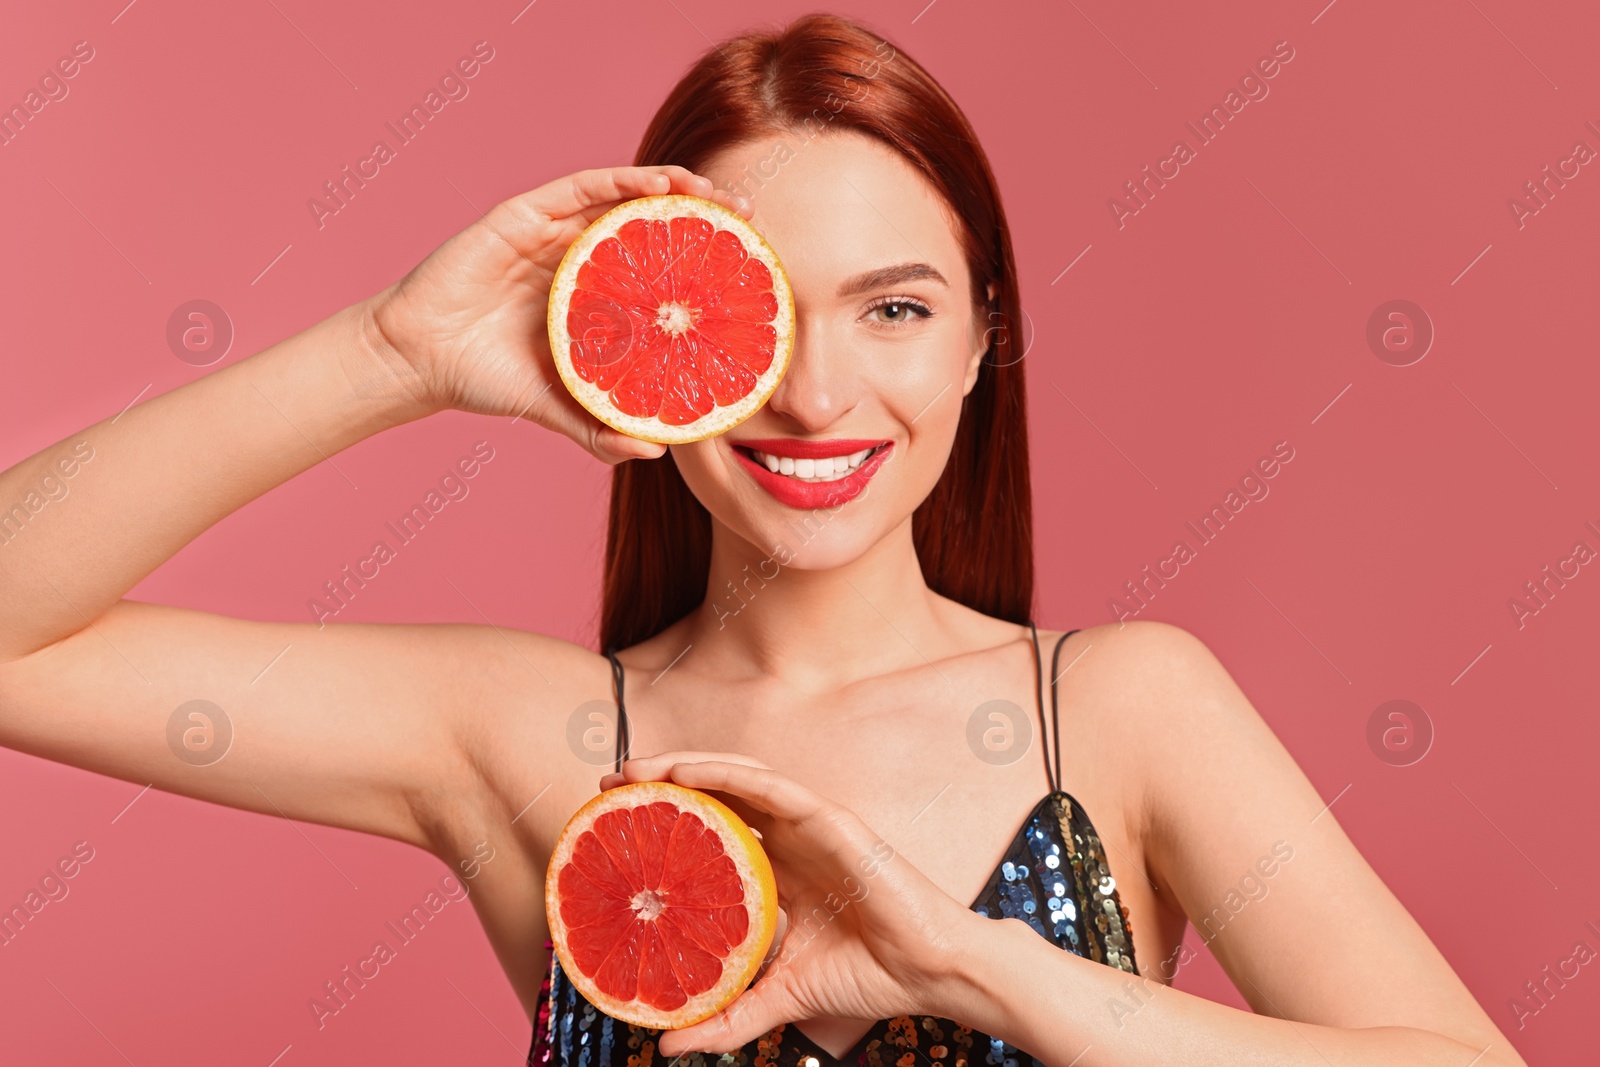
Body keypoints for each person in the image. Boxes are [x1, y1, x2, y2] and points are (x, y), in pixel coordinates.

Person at [0, 12, 1524, 1067]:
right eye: (756, 319)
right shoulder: (529, 741)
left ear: (987, 338)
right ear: (646, 343)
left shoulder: (1124, 710)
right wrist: (389, 356)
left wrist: (974, 967)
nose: (812, 393)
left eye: (898, 309)